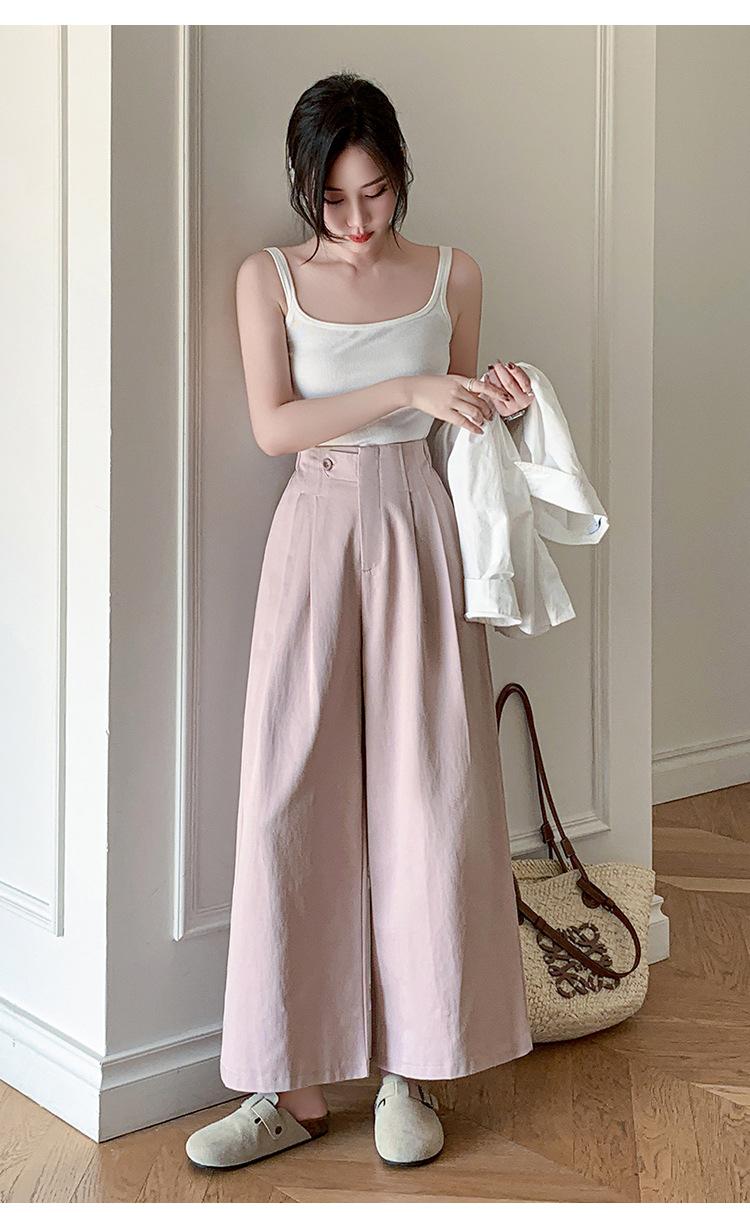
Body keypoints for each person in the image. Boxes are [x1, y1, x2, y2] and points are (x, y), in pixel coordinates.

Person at [185, 71, 535, 1173]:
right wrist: (408, 390)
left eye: (374, 192)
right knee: (292, 791)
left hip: (419, 528)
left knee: (429, 792)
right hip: (316, 530)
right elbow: (274, 426)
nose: (354, 219)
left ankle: (411, 1069)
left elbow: (457, 424)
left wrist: (495, 402)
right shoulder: (267, 278)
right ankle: (285, 1086)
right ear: (304, 187)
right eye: (332, 198)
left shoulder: (452, 274)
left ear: (400, 176)